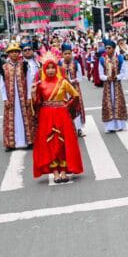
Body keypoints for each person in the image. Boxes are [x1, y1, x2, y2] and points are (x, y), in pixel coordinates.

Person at [31, 52, 84, 184]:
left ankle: (64, 171)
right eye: (47, 68)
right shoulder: (40, 84)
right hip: (46, 116)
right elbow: (36, 104)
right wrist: (33, 93)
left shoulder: (63, 82)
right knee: (50, 143)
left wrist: (67, 106)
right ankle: (55, 172)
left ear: (56, 68)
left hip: (62, 115)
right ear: (44, 69)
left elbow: (75, 95)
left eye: (53, 67)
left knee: (63, 142)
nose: (50, 70)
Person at [0, 43, 35, 151]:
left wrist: (29, 97)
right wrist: (5, 99)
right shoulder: (4, 67)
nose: (14, 54)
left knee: (26, 118)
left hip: (23, 97)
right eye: (12, 52)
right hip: (11, 98)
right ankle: (11, 143)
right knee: (11, 119)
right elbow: (2, 84)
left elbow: (29, 81)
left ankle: (29, 141)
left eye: (16, 51)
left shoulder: (24, 65)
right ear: (8, 54)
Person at [98, 40, 128, 133]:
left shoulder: (120, 58)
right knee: (109, 104)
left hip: (117, 85)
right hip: (107, 85)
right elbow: (100, 74)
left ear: (114, 49)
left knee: (118, 103)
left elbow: (123, 72)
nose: (107, 50)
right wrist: (107, 78)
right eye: (106, 48)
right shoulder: (102, 59)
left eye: (109, 48)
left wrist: (117, 77)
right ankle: (110, 126)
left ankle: (120, 125)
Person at [60, 44, 86, 137]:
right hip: (63, 90)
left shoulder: (75, 63)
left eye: (69, 53)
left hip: (74, 89)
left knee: (76, 108)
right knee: (65, 108)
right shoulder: (59, 64)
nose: (67, 55)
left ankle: (79, 129)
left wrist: (71, 81)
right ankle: (66, 129)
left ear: (71, 54)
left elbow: (80, 77)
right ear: (62, 54)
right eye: (65, 53)